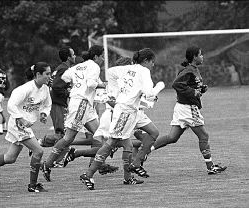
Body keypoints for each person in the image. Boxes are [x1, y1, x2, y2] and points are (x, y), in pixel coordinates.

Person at [80, 48, 159, 190]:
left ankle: (129, 176)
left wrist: (118, 90)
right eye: (152, 62)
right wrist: (153, 93)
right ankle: (88, 174)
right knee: (110, 143)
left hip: (127, 110)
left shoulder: (128, 68)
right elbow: (148, 93)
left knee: (131, 144)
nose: (153, 65)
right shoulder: (144, 71)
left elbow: (110, 72)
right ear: (146, 61)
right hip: (125, 112)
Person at [0, 62, 52, 192]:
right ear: (38, 74)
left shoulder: (45, 89)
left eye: (50, 73)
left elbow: (47, 105)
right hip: (18, 125)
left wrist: (44, 114)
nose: (49, 76)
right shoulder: (26, 88)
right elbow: (11, 104)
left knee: (10, 158)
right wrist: (20, 118)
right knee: (38, 151)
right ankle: (33, 185)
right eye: (47, 74)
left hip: (26, 126)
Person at [146, 46, 227, 175]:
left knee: (172, 137)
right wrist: (193, 91)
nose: (202, 57)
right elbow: (176, 84)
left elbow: (191, 87)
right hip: (188, 108)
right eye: (200, 55)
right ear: (194, 57)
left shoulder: (194, 70)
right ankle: (210, 167)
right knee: (204, 136)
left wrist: (201, 90)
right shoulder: (188, 70)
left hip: (182, 107)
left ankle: (145, 151)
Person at [41, 45, 107, 182]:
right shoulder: (94, 66)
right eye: (102, 56)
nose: (103, 59)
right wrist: (103, 85)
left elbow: (65, 77)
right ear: (95, 57)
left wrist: (76, 85)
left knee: (99, 135)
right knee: (68, 138)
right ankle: (47, 165)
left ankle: (94, 167)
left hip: (84, 104)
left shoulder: (78, 66)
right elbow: (90, 84)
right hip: (81, 104)